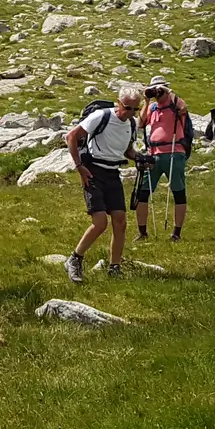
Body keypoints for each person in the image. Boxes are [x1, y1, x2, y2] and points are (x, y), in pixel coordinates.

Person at [62, 85, 147, 283]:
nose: (131, 113)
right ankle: (75, 259)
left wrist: (141, 158)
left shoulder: (132, 124)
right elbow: (71, 136)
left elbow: (128, 151)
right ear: (119, 103)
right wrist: (79, 166)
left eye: (136, 109)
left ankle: (114, 267)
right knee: (100, 222)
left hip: (112, 173)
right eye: (128, 108)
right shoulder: (102, 116)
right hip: (93, 172)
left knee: (120, 220)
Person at [134, 75, 191, 241]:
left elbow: (184, 109)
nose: (158, 93)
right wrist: (146, 100)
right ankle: (142, 232)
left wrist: (168, 91)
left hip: (174, 151)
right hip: (153, 154)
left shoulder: (175, 105)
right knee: (143, 192)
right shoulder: (152, 108)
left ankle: (176, 233)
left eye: (160, 89)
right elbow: (141, 123)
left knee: (178, 192)